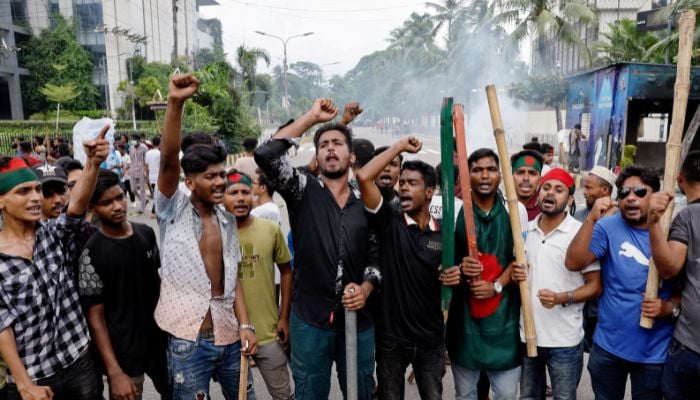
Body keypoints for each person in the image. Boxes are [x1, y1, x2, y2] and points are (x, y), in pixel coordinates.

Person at [255, 99, 381, 400]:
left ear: (351, 156)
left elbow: (377, 258)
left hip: (359, 322)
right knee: (310, 393)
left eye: (338, 143)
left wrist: (365, 288)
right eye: (323, 144)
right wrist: (312, 117)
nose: (330, 148)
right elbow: (266, 155)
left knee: (361, 391)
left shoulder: (366, 201)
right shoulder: (302, 188)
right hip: (310, 320)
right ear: (317, 155)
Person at [155, 73, 257, 399]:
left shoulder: (227, 221)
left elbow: (235, 280)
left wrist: (246, 325)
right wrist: (176, 102)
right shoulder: (172, 211)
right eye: (210, 177)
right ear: (190, 182)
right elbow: (170, 160)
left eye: (221, 175)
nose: (219, 183)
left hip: (230, 337)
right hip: (189, 342)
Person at [0, 125, 110, 400]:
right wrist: (24, 384)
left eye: (37, 190)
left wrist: (93, 164)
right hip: (34, 376)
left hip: (78, 360)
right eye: (23, 191)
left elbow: (76, 208)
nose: (36, 198)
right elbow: (2, 325)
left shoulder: (51, 234)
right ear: (1, 202)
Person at [565, 165, 676, 400]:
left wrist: (667, 308)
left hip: (654, 352)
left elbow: (686, 288)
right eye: (624, 193)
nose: (631, 199)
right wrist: (592, 219)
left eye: (639, 192)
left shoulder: (673, 231)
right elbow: (574, 262)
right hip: (608, 347)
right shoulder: (607, 227)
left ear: (655, 195)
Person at [356, 136, 449, 399]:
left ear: (429, 192)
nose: (404, 188)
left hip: (431, 340)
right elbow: (364, 177)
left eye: (412, 183)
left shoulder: (444, 234)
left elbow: (454, 280)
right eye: (402, 183)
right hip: (392, 340)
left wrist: (453, 275)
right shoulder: (389, 219)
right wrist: (398, 147)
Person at [79, 169, 171, 400]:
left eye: (120, 197)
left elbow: (157, 282)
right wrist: (114, 372)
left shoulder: (146, 234)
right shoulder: (91, 253)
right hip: (124, 353)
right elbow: (95, 317)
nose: (118, 206)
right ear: (92, 208)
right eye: (107, 202)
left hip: (160, 342)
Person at [512, 168, 602, 399]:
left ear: (570, 199)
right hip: (528, 336)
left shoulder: (579, 233)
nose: (550, 194)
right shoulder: (525, 230)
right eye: (546, 188)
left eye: (559, 190)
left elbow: (594, 286)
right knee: (529, 396)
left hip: (565, 340)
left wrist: (563, 297)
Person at [446, 148, 525, 400]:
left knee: (506, 394)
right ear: (467, 174)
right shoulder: (454, 212)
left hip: (504, 324)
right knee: (466, 393)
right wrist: (459, 269)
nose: (484, 175)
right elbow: (441, 265)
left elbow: (521, 262)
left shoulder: (515, 211)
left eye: (491, 169)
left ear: (500, 175)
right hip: (465, 324)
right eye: (477, 169)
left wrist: (496, 286)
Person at [224, 170, 295, 400]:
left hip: (268, 333)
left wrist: (284, 316)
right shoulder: (214, 234)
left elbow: (286, 271)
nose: (241, 198)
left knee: (283, 394)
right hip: (227, 338)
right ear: (222, 197)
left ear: (254, 194)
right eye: (233, 192)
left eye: (245, 191)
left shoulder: (269, 229)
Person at [647, 150, 700, 400]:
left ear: (680, 180)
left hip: (691, 345)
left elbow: (669, 268)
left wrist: (653, 222)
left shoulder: (689, 217)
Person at [572, 166, 616, 353]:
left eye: (589, 188)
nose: (585, 192)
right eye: (584, 187)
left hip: (605, 297)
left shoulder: (618, 216)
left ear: (605, 190)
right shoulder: (579, 216)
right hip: (581, 292)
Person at [511, 150, 545, 221]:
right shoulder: (500, 206)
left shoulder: (546, 209)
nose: (526, 178)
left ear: (540, 180)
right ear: (510, 178)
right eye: (520, 172)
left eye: (532, 173)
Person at [128, 134, 148, 213]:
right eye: (131, 139)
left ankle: (142, 207)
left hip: (141, 170)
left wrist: (146, 171)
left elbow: (146, 161)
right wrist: (129, 168)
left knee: (142, 189)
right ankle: (143, 200)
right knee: (133, 189)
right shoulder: (131, 148)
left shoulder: (144, 148)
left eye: (134, 139)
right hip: (133, 170)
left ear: (138, 140)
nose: (133, 141)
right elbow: (131, 159)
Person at [145, 136, 161, 217]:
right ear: (160, 143)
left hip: (152, 177)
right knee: (158, 195)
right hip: (159, 177)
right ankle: (153, 212)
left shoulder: (148, 153)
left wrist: (147, 177)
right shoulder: (159, 153)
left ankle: (156, 211)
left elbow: (146, 167)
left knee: (157, 194)